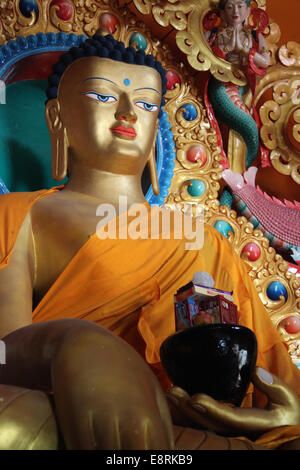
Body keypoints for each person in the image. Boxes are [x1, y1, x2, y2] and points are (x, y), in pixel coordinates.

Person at [0, 34, 299, 450]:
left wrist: (281, 417)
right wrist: (73, 344)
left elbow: (262, 378)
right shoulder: (19, 213)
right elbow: (2, 353)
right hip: (64, 411)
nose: (127, 113)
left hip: (184, 429)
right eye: (101, 96)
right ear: (58, 118)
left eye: (145, 104)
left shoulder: (202, 240)